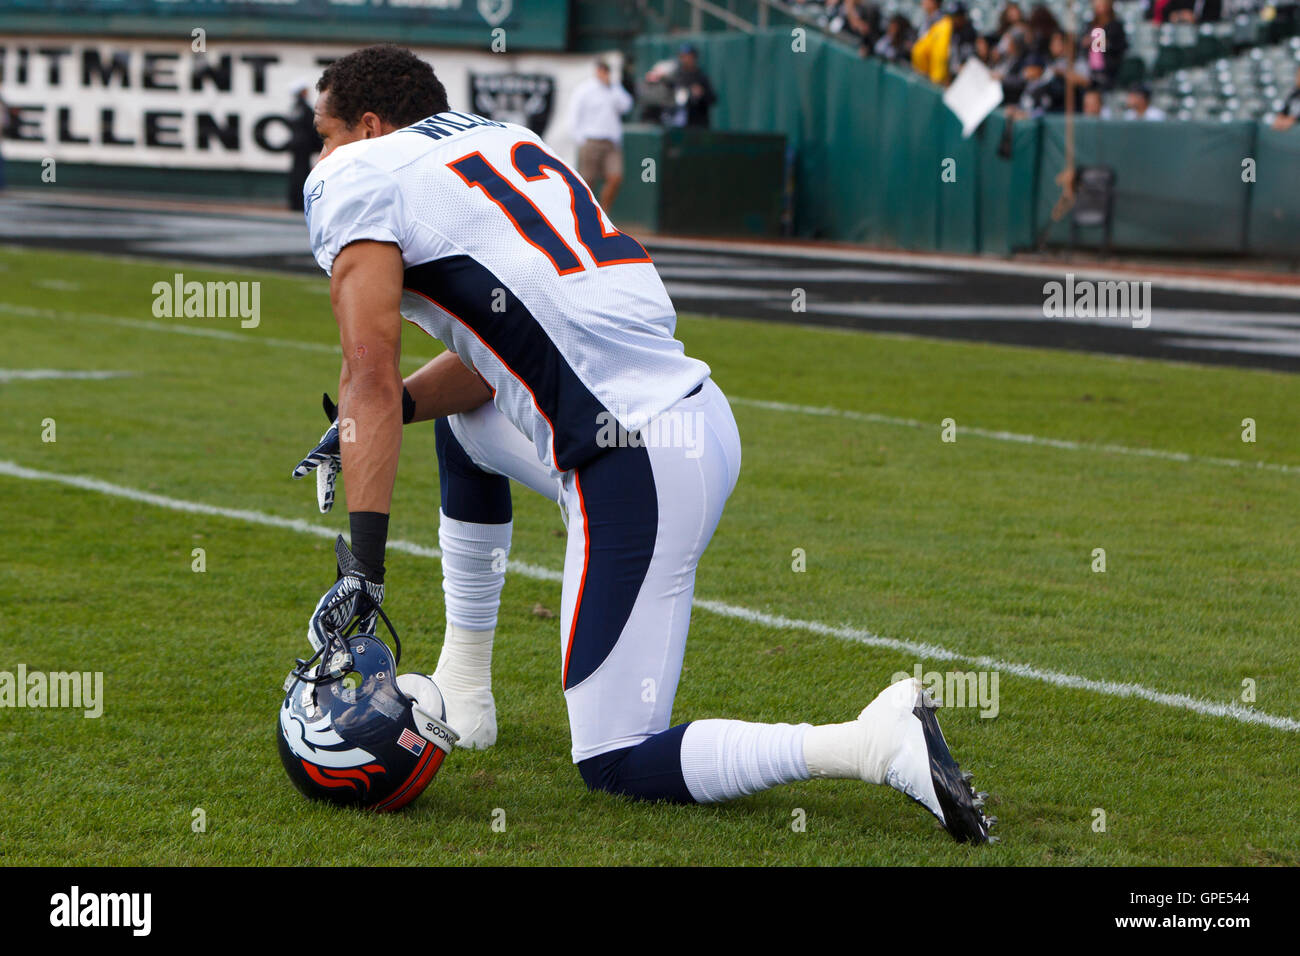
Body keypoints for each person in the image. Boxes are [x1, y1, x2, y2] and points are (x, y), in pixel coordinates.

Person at [291, 44, 992, 842]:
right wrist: (401, 409)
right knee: (466, 433)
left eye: (327, 133)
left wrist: (366, 566)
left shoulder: (360, 170)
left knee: (615, 758)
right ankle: (467, 689)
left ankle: (869, 741)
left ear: (371, 127)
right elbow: (497, 363)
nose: (322, 154)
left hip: (635, 467)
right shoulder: (494, 141)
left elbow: (367, 373)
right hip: (692, 420)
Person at [567, 60, 633, 210]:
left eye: (607, 70)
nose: (604, 73)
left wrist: (612, 88)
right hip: (591, 141)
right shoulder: (584, 89)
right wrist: (580, 139)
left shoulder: (614, 88)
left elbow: (626, 106)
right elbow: (573, 115)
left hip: (611, 143)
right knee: (587, 181)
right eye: (602, 70)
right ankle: (584, 214)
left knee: (615, 177)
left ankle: (603, 214)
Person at [287, 81, 321, 211]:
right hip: (304, 145)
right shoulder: (305, 109)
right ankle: (300, 203)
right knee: (302, 174)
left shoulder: (294, 108)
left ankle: (294, 202)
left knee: (296, 172)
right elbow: (311, 128)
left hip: (296, 145)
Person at [664, 42, 716, 128]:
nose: (686, 59)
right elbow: (667, 98)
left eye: (688, 56)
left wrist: (702, 94)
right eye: (683, 56)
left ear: (694, 58)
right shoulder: (675, 77)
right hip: (677, 124)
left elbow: (713, 99)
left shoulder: (701, 77)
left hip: (698, 125)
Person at [1272, 66, 1300, 130]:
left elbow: (1293, 118)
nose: (1298, 78)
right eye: (1298, 75)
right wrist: (1280, 119)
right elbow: (1284, 110)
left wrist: (1293, 120)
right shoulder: (1294, 93)